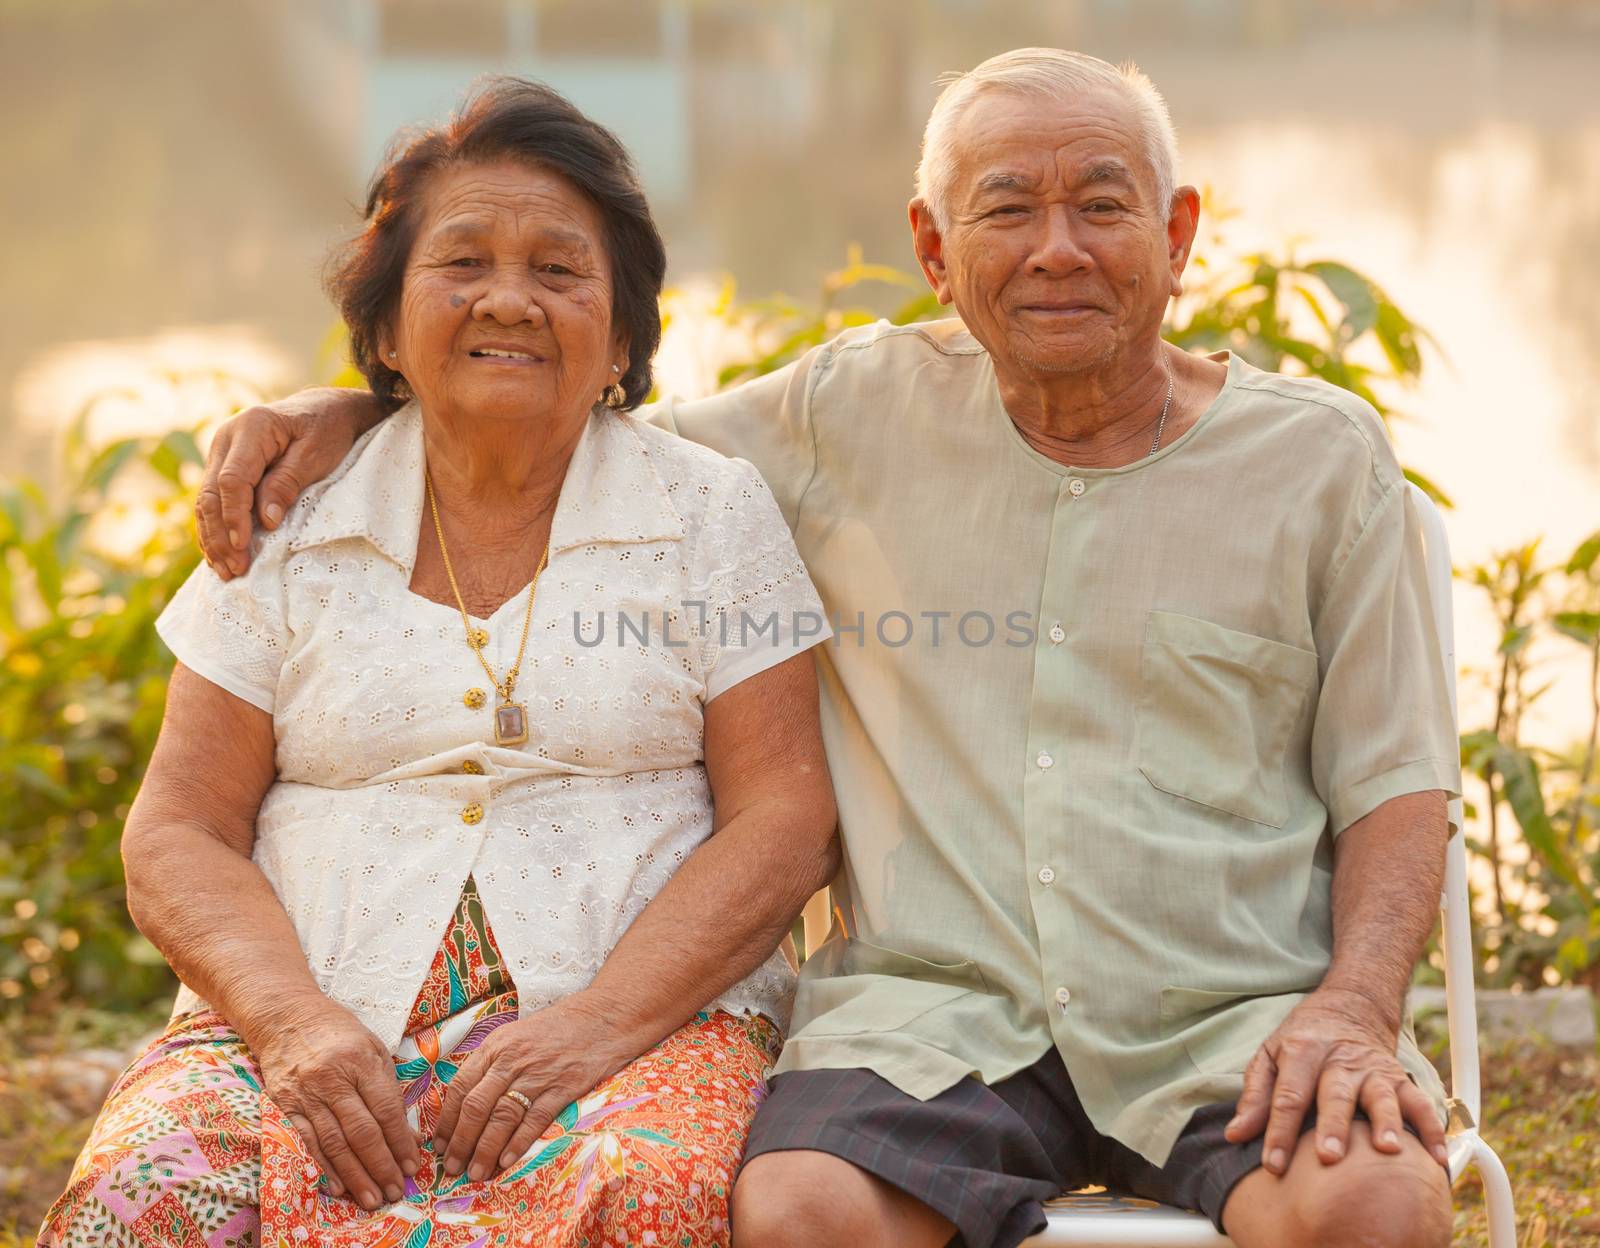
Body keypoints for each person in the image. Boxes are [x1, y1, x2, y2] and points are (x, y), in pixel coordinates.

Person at [192, 48, 1461, 1248]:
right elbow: (556, 401)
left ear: (1177, 235)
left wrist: (1351, 1008)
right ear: (931, 248)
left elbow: (1396, 783)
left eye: (1103, 207)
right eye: (1006, 209)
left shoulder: (1318, 461)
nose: (1056, 250)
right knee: (801, 1212)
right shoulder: (842, 414)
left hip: (1235, 1013)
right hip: (939, 1020)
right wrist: (360, 405)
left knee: (1374, 1209)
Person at [40, 78, 839, 1248]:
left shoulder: (709, 513)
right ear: (383, 330)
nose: (508, 300)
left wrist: (597, 1027)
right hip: (300, 1026)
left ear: (620, 336)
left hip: (642, 1026)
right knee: (146, 1201)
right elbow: (175, 832)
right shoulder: (287, 519)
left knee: (636, 1193)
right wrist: (291, 1025)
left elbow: (785, 819)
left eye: (560, 271)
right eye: (461, 264)